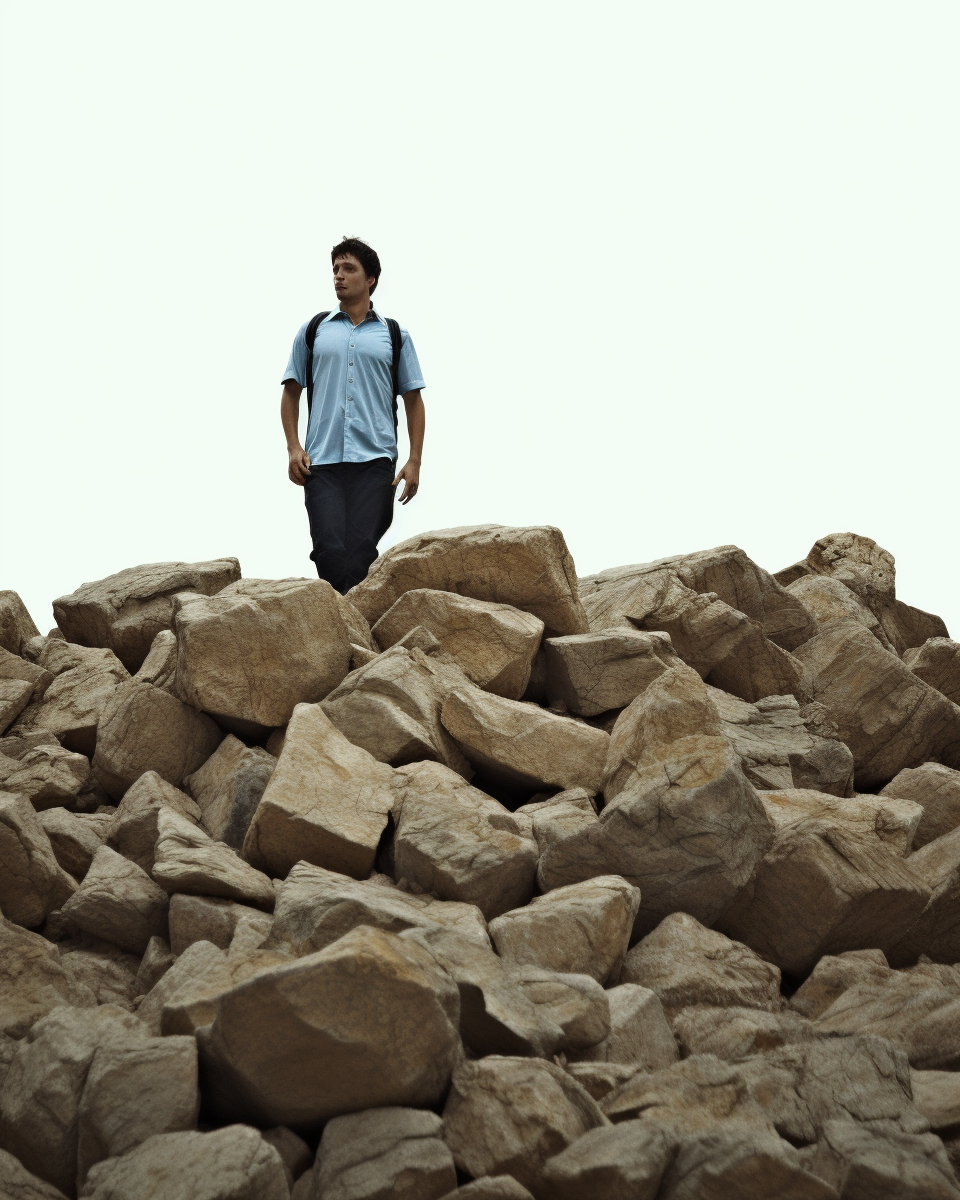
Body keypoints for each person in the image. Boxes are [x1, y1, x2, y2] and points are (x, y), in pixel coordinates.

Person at [280, 237, 426, 594]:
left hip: (375, 460)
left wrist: (414, 461)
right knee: (328, 551)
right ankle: (350, 635)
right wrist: (293, 447)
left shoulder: (394, 335)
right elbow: (290, 392)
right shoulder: (314, 330)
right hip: (322, 460)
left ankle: (349, 636)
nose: (338, 276)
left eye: (348, 269)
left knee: (361, 552)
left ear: (370, 278)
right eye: (335, 270)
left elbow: (413, 400)